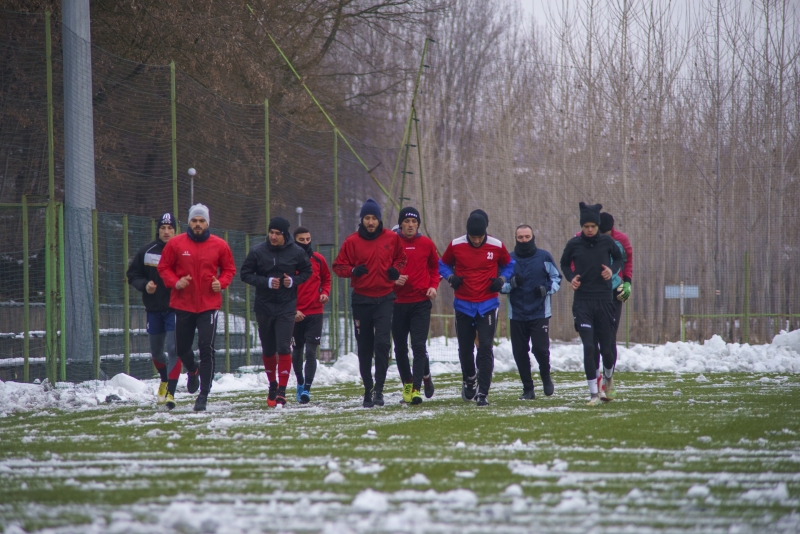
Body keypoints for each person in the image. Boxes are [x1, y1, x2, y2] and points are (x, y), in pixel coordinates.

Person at [158, 204, 236, 412]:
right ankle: (193, 370)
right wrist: (175, 282)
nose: (198, 224)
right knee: (182, 348)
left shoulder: (219, 245)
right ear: (189, 222)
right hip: (183, 304)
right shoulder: (175, 244)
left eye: (202, 221)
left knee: (206, 347)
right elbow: (163, 268)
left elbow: (229, 268)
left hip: (209, 305)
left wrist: (222, 282)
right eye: (195, 221)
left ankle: (204, 394)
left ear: (208, 223)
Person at [333, 198, 407, 408]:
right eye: (367, 218)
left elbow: (401, 259)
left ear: (379, 219)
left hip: (384, 298)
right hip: (362, 300)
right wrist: (352, 271)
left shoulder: (392, 238)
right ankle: (368, 388)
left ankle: (380, 389)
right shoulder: (352, 241)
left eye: (374, 218)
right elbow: (338, 266)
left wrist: (396, 270)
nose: (371, 222)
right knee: (365, 346)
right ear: (362, 220)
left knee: (382, 343)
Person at [438, 210, 514, 407]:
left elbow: (510, 265)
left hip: (488, 303)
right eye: (473, 237)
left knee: (486, 347)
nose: (477, 240)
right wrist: (451, 277)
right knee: (465, 348)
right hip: (463, 303)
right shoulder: (456, 245)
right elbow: (442, 265)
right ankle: (470, 378)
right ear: (467, 234)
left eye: (480, 237)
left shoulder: (497, 246)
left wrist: (501, 280)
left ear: (485, 233)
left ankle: (483, 392)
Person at [240, 217, 312, 407]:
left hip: (286, 307)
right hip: (264, 306)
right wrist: (266, 282)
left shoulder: (296, 252)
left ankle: (282, 390)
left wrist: (293, 281)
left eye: (277, 233)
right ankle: (272, 384)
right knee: (269, 349)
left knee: (283, 347)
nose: (273, 236)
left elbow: (307, 271)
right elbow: (245, 274)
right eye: (271, 232)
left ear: (285, 234)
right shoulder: (257, 251)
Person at [559, 202, 622, 406]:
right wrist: (571, 277)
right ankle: (594, 393)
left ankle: (609, 377)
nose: (589, 229)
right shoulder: (573, 244)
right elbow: (564, 263)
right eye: (585, 226)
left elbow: (620, 258)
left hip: (604, 300)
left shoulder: (607, 242)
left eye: (592, 226)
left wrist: (612, 269)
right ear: (581, 226)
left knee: (607, 350)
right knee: (588, 347)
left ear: (597, 226)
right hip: (583, 301)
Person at [127, 213, 181, 409]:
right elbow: (132, 275)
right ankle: (164, 380)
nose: (166, 231)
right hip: (153, 309)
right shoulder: (147, 251)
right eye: (163, 228)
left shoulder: (182, 251)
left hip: (176, 309)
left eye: (170, 228)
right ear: (158, 230)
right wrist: (145, 285)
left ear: (176, 230)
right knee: (157, 352)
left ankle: (171, 393)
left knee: (174, 348)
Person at [501, 224, 561, 400]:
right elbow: (499, 286)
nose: (524, 240)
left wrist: (546, 289)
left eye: (527, 237)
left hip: (540, 312)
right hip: (517, 314)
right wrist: (511, 284)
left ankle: (546, 377)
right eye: (520, 237)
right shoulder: (508, 260)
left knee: (541, 349)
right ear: (516, 238)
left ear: (533, 237)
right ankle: (528, 389)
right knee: (519, 352)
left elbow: (557, 278)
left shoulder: (544, 257)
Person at [391, 207, 440, 405]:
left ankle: (417, 388)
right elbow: (383, 271)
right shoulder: (392, 243)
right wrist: (393, 280)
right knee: (400, 348)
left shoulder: (427, 244)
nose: (410, 225)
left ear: (418, 224)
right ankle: (408, 385)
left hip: (420, 302)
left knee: (418, 346)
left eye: (414, 221)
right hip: (396, 303)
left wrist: (433, 286)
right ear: (401, 224)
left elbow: (435, 268)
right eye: (407, 221)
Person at [592, 212, 633, 395]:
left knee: (609, 337)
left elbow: (627, 261)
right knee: (591, 338)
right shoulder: (582, 239)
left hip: (614, 292)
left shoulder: (621, 240)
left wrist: (627, 282)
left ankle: (609, 377)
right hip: (591, 293)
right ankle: (595, 378)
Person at [290, 226, 331, 404]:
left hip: (315, 312)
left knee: (311, 352)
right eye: (302, 240)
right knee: (297, 351)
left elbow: (327, 279)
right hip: (295, 314)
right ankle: (299, 382)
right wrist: (292, 310)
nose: (306, 243)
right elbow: (284, 289)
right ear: (294, 241)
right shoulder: (288, 261)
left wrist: (325, 293)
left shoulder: (319, 259)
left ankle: (307, 388)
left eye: (308, 239)